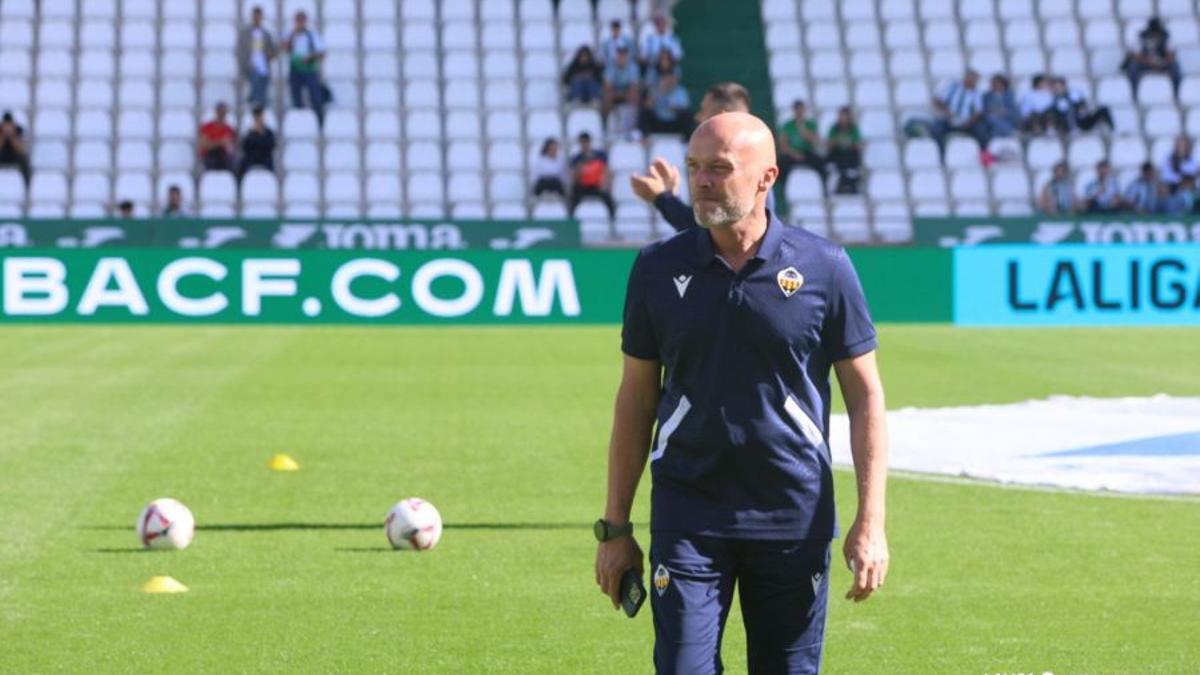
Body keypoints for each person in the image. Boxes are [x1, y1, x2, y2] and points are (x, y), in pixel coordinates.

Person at [596, 111, 889, 674]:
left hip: (792, 517)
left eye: (721, 168)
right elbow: (635, 398)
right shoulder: (657, 267)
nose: (703, 181)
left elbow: (866, 397)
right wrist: (615, 527)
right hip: (688, 512)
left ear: (766, 177)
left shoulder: (825, 268)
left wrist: (869, 522)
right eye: (695, 168)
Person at [630, 81, 779, 232]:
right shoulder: (754, 165)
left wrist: (663, 199)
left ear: (722, 116)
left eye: (720, 167)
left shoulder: (749, 175)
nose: (698, 117)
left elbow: (708, 231)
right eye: (694, 166)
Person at [282, 10, 326, 123]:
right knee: (297, 100)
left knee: (315, 98)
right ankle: (300, 123)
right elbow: (285, 49)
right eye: (298, 21)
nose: (300, 23)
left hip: (310, 70)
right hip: (296, 70)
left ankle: (320, 123)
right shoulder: (290, 34)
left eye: (302, 21)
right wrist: (292, 37)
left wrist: (310, 57)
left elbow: (321, 54)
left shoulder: (312, 35)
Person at [931, 69, 988, 151]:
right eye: (970, 78)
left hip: (968, 123)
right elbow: (937, 100)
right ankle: (941, 153)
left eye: (975, 79)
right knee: (936, 129)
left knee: (982, 132)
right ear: (965, 78)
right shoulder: (953, 87)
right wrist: (946, 110)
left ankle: (983, 154)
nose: (972, 81)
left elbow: (978, 112)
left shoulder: (977, 93)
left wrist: (969, 121)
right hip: (950, 120)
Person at [1123, 16, 1182, 95]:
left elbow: (1172, 56)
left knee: (1175, 67)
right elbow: (1136, 56)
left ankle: (1176, 93)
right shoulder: (1141, 37)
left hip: (1162, 62)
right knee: (1134, 66)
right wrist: (1149, 61)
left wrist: (1162, 62)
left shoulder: (1167, 37)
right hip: (1145, 62)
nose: (1155, 34)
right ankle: (1133, 92)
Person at [776, 100, 826, 189]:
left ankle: (823, 188)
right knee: (780, 164)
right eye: (797, 109)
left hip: (806, 152)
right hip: (792, 153)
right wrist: (794, 153)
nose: (799, 112)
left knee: (820, 162)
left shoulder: (810, 124)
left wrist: (805, 132)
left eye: (801, 109)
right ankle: (782, 189)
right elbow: (783, 145)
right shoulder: (788, 125)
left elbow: (816, 142)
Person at [237, 5, 277, 108]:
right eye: (255, 16)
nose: (257, 19)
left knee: (262, 84)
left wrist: (271, 54)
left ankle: (255, 102)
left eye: (259, 16)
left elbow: (273, 51)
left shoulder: (266, 34)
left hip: (264, 66)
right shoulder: (245, 33)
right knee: (256, 80)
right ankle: (257, 104)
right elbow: (240, 51)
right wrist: (247, 64)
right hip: (250, 66)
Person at [568, 132, 616, 218]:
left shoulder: (600, 155)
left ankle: (612, 220)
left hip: (597, 186)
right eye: (582, 142)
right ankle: (571, 219)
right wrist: (578, 172)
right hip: (583, 186)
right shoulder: (576, 158)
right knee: (573, 199)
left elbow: (607, 171)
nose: (584, 145)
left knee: (608, 199)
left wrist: (606, 184)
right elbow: (573, 176)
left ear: (589, 142)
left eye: (585, 142)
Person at [637, 71, 691, 140]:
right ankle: (645, 137)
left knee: (687, 115)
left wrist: (674, 107)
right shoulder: (655, 90)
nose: (668, 82)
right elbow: (648, 106)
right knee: (644, 113)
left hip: (673, 123)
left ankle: (686, 140)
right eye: (666, 80)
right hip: (658, 122)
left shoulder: (681, 91)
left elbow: (685, 107)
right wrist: (657, 97)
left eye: (670, 79)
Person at [602, 45, 641, 129]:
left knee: (635, 95)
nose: (621, 57)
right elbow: (607, 84)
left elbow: (634, 85)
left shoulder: (633, 67)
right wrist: (617, 93)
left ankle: (634, 127)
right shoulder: (610, 66)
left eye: (624, 55)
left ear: (627, 56)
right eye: (620, 54)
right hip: (614, 92)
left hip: (627, 92)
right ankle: (605, 125)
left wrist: (624, 94)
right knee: (607, 95)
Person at [826, 106, 863, 194]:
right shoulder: (834, 128)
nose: (843, 119)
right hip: (837, 153)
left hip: (849, 154)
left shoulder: (853, 128)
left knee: (852, 156)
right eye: (841, 116)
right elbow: (830, 144)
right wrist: (844, 142)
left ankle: (849, 185)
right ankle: (841, 184)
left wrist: (843, 141)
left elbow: (857, 144)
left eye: (845, 116)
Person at [198, 101, 236, 172]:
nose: (221, 114)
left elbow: (231, 148)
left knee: (231, 163)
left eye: (223, 112)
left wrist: (227, 145)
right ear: (216, 112)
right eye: (220, 112)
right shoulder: (207, 127)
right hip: (210, 155)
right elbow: (204, 145)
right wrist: (220, 142)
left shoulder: (229, 129)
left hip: (223, 156)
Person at [238, 106, 276, 177]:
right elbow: (245, 147)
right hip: (252, 157)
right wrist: (253, 134)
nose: (258, 119)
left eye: (260, 116)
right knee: (242, 165)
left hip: (265, 157)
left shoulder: (268, 132)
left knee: (270, 162)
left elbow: (271, 145)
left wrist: (260, 134)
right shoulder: (249, 132)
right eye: (257, 117)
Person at [982, 74, 1020, 138]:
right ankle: (1010, 132)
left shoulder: (1009, 94)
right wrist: (997, 111)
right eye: (994, 83)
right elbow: (986, 108)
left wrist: (1003, 111)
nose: (995, 85)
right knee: (991, 118)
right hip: (993, 116)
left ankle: (1005, 132)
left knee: (1015, 113)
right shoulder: (987, 95)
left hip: (1006, 116)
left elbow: (1011, 108)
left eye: (997, 83)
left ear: (1002, 84)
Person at [0, 111, 31, 184]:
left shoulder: (18, 130)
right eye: (6, 124)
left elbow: (21, 148)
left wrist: (11, 137)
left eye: (9, 124)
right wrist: (4, 136)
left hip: (14, 155)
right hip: (2, 155)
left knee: (24, 160)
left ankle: (27, 186)